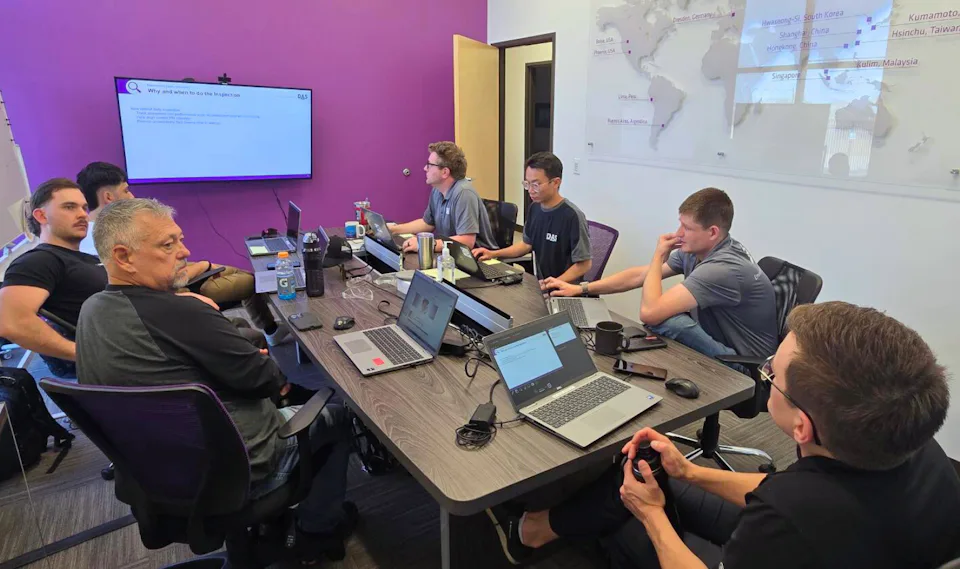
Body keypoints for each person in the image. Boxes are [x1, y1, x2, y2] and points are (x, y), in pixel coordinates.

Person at [487, 301, 960, 568]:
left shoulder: (790, 518)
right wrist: (689, 471)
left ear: (802, 426)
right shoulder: (914, 448)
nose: (766, 374)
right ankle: (543, 526)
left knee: (627, 521)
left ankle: (533, 532)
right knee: (654, 478)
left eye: (770, 375)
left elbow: (786, 504)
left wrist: (653, 518)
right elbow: (782, 488)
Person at [76, 198, 357, 563]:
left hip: (155, 472)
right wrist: (240, 353)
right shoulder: (181, 312)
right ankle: (318, 531)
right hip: (238, 468)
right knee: (337, 414)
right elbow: (267, 379)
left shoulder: (92, 309)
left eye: (179, 239)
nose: (185, 251)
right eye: (168, 244)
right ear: (124, 257)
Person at [543, 188, 776, 359]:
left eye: (687, 228)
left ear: (713, 232)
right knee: (666, 320)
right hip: (719, 338)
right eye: (680, 224)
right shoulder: (699, 251)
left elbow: (650, 313)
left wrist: (658, 255)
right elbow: (639, 276)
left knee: (668, 321)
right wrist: (580, 288)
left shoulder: (722, 269)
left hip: (745, 364)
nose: (678, 233)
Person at [76, 161, 289, 346]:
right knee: (251, 281)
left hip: (173, 289)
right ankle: (272, 332)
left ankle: (271, 330)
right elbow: (164, 277)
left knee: (242, 275)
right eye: (126, 190)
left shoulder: (89, 238)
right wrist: (203, 266)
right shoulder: (113, 241)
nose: (131, 195)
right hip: (177, 292)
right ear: (108, 197)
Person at [0, 179, 103, 377]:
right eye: (69, 207)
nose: (82, 214)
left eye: (84, 207)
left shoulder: (86, 259)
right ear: (40, 215)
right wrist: (82, 354)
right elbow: (10, 322)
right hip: (114, 360)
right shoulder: (39, 260)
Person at [472, 152, 592, 283]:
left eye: (535, 185)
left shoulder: (572, 216)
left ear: (556, 182)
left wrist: (553, 284)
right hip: (540, 285)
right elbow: (526, 245)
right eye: (527, 184)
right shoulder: (535, 208)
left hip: (563, 289)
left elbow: (584, 264)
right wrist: (493, 254)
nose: (530, 190)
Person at [388, 141, 498, 252]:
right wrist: (393, 230)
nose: (425, 168)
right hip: (450, 254)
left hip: (478, 258)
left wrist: (426, 245)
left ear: (445, 172)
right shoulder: (437, 190)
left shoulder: (464, 193)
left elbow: (467, 241)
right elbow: (427, 223)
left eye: (429, 165)